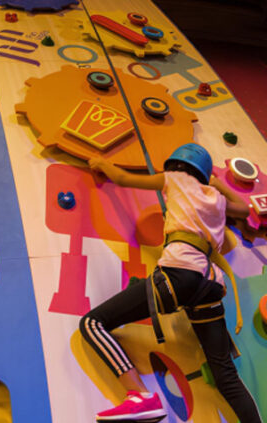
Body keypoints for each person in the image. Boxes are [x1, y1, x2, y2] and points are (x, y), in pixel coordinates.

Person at [81, 144, 263, 422]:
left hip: (180, 273)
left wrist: (102, 165)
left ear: (177, 166)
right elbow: (245, 209)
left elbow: (124, 179)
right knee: (224, 372)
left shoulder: (175, 179)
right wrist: (219, 186)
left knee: (92, 324)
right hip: (211, 285)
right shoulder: (216, 198)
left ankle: (139, 396)